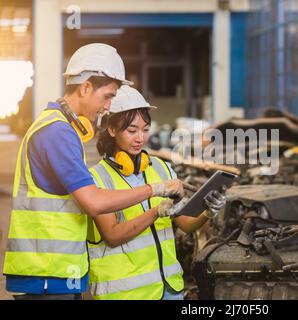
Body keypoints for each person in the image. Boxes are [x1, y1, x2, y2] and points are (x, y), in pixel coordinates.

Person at [3, 43, 185, 300]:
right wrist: (155, 190)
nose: (109, 106)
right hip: (48, 271)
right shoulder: (58, 132)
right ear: (86, 87)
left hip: (57, 271)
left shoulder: (59, 128)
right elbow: (94, 201)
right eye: (108, 96)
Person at [87, 85, 227, 300]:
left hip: (169, 290)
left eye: (145, 129)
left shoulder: (161, 168)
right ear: (112, 130)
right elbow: (113, 236)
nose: (140, 138)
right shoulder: (96, 179)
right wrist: (156, 212)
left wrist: (207, 211)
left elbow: (185, 223)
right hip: (125, 294)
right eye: (132, 130)